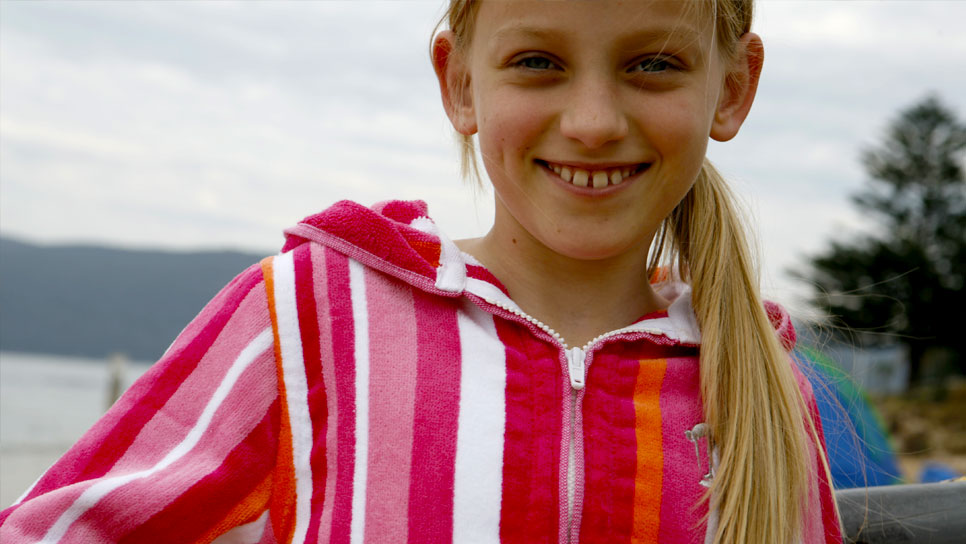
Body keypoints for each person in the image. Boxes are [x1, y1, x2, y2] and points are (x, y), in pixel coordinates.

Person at [0, 1, 842, 542]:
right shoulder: (309, 317)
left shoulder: (762, 385)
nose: (592, 122)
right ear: (459, 82)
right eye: (538, 62)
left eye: (652, 65)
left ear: (733, 88)